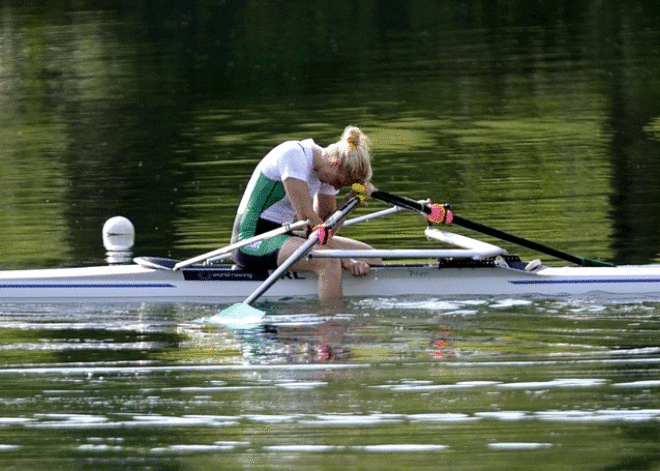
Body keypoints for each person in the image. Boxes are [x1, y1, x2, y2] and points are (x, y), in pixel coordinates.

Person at [230, 125, 380, 299]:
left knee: (371, 256)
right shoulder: (294, 155)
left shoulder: (326, 173)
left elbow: (326, 230)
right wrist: (346, 259)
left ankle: (329, 294)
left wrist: (349, 202)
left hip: (282, 235)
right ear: (335, 163)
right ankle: (332, 323)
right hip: (250, 240)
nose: (336, 187)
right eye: (339, 182)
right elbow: (309, 220)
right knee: (330, 261)